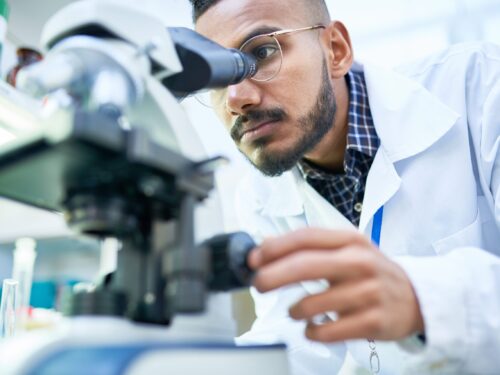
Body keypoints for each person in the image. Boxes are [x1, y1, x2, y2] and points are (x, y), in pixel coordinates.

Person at [188, 0, 500, 374]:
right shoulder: (259, 198)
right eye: (216, 79)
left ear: (336, 50)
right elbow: (296, 344)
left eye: (263, 52)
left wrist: (424, 301)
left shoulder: (482, 88)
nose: (238, 99)